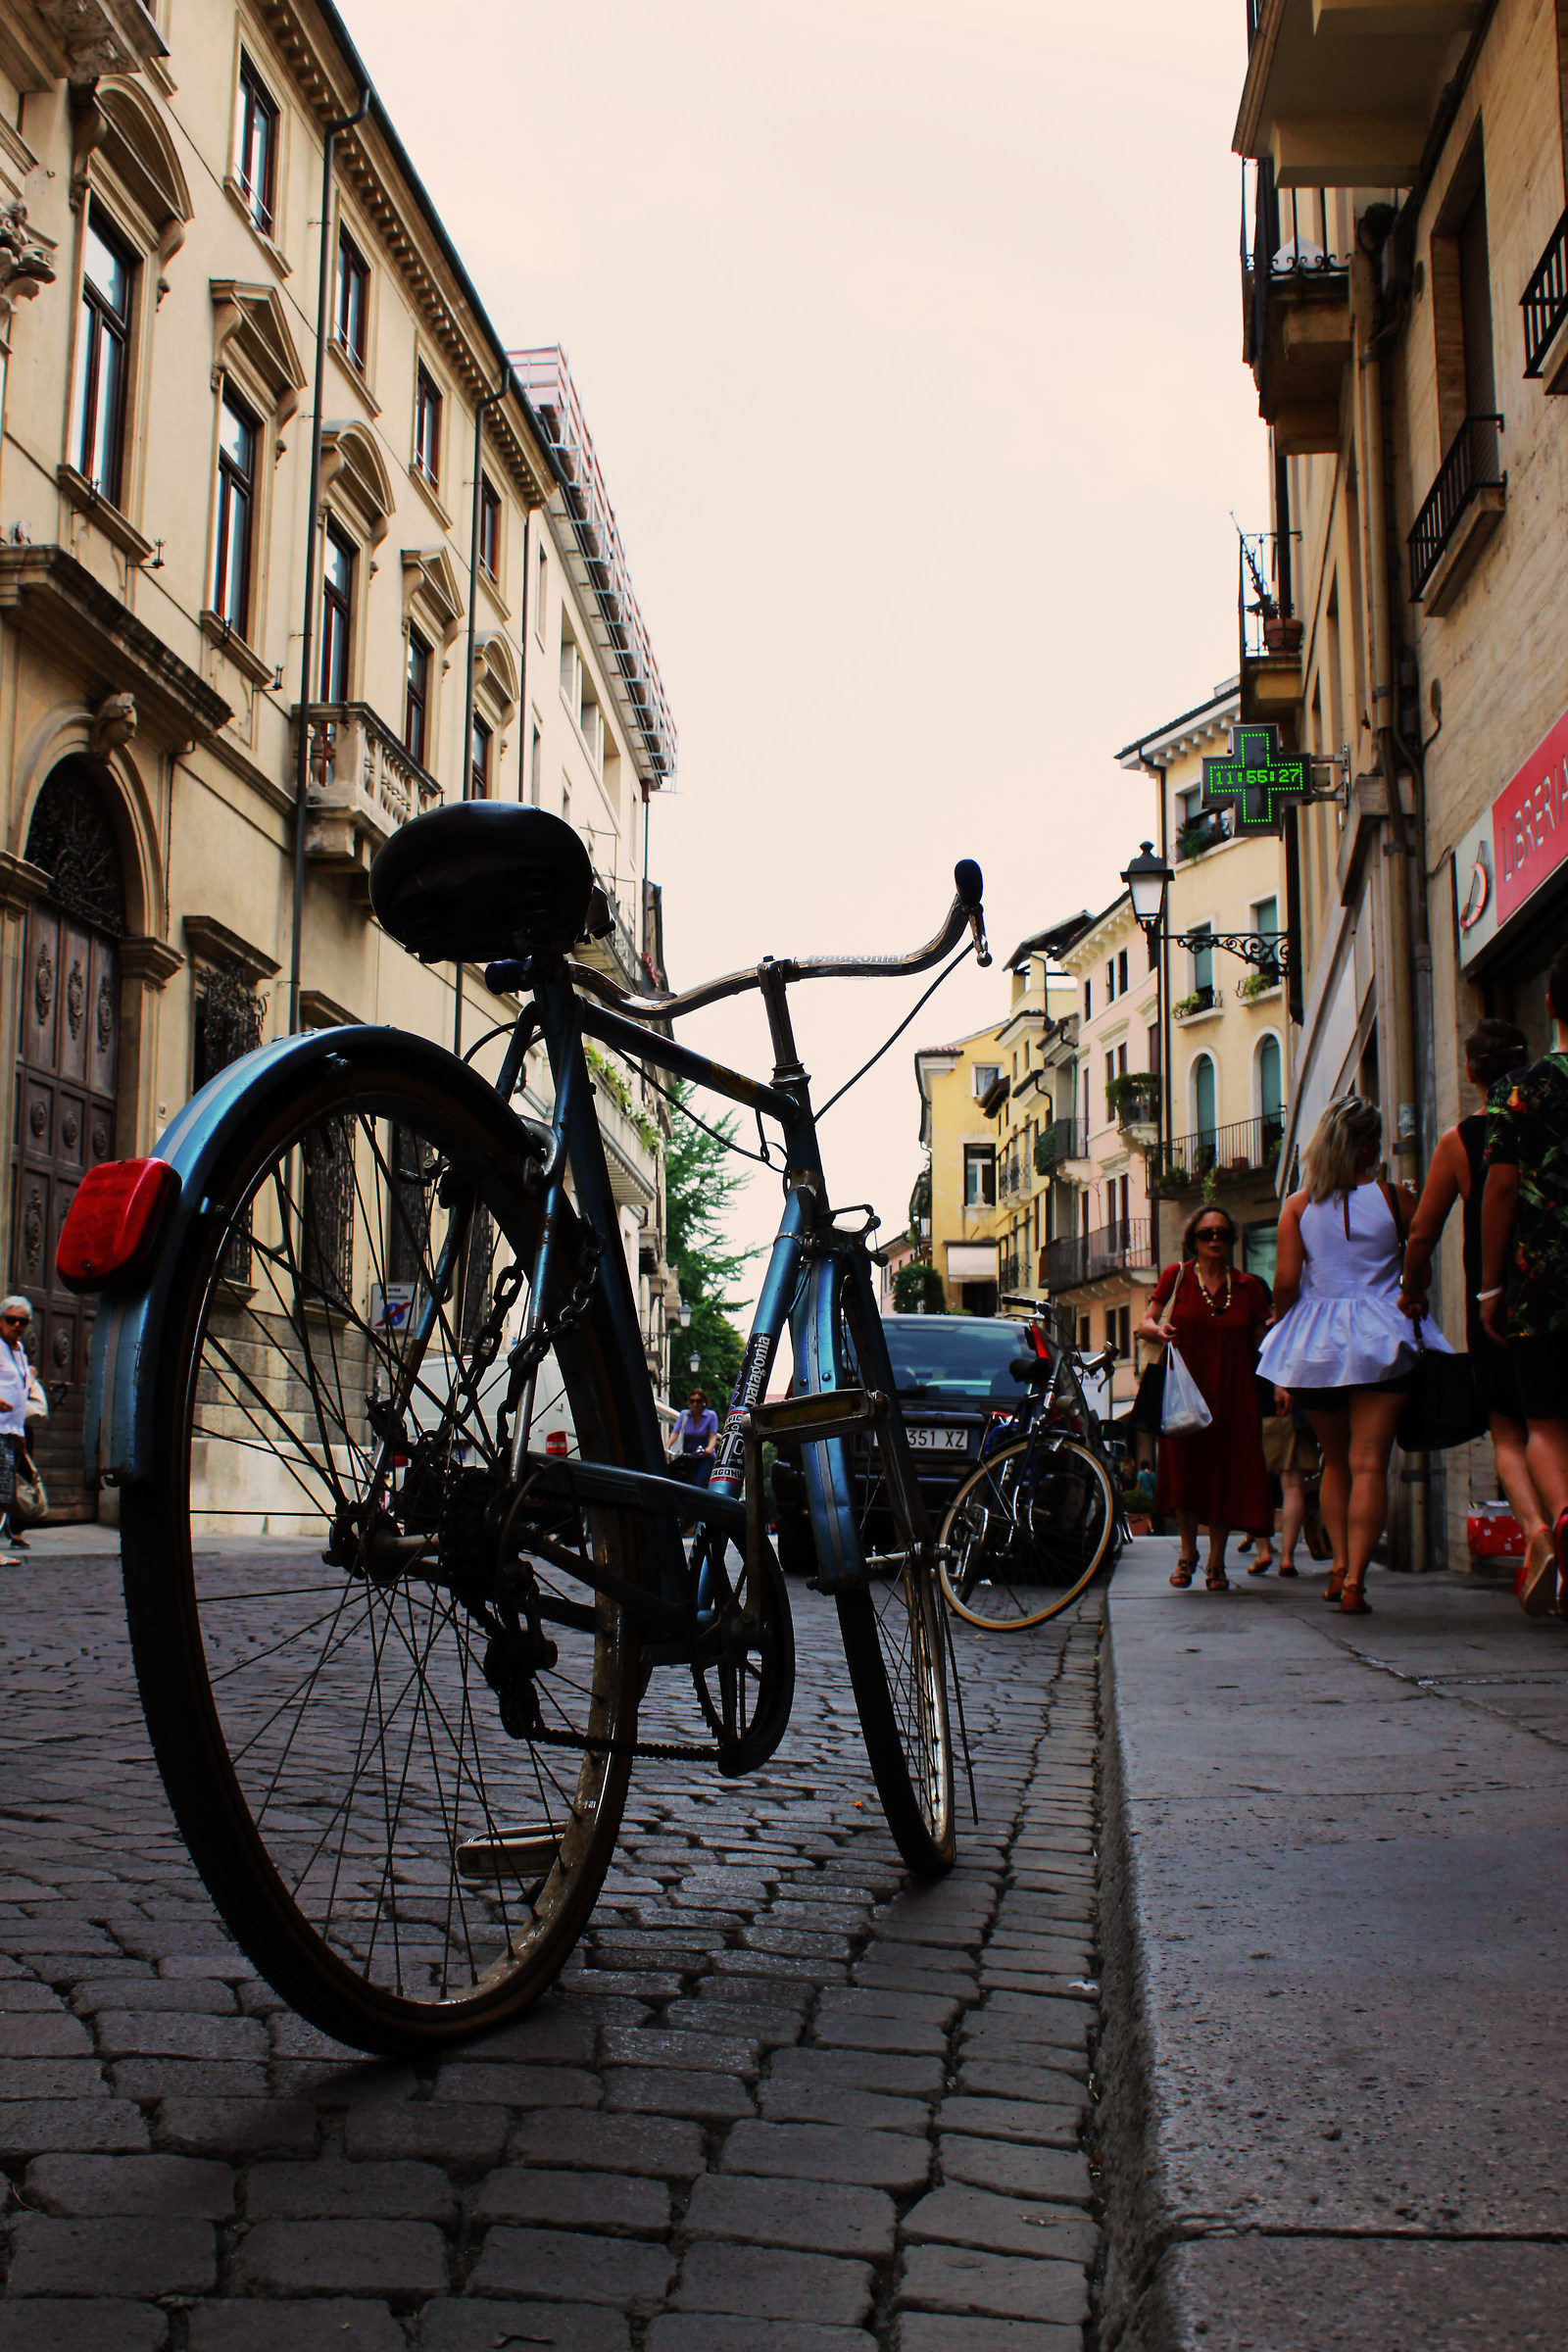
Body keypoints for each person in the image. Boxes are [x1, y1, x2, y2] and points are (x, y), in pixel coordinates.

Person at [1259, 1096, 1448, 1615]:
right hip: (1384, 1339)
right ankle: (1356, 1583)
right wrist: (1409, 1287)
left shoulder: (1298, 1206)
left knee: (1334, 1460)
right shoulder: (1395, 1199)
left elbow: (1286, 1282)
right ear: (1366, 1144)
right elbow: (1420, 1267)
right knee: (1370, 1463)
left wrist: (1281, 1319)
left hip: (1320, 1344)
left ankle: (1340, 1563)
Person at [1399, 1018, 1549, 1601]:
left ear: (1470, 1072)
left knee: (1508, 1431)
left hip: (1498, 1302)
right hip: (1555, 1293)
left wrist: (1413, 1286)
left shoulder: (1462, 1140)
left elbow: (1423, 1231)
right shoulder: (1548, 1120)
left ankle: (1538, 1530)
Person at [1479, 944, 1568, 1612]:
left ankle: (1564, 1521)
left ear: (1548, 1004)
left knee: (1544, 1423)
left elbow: (1501, 1189)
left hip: (1542, 1279)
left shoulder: (1518, 1091)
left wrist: (1489, 1285)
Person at [1135, 1205, 1273, 1592]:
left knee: (1226, 1476)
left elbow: (1264, 1344)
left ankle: (1216, 1561)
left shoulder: (1247, 1288)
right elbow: (1145, 1322)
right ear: (1193, 1239)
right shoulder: (1176, 1277)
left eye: (1223, 1234)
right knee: (1184, 1471)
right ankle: (1186, 1551)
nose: (1215, 1239)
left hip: (1234, 1396)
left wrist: (1283, 1379)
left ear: (1232, 1240)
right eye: (1207, 1233)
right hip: (1184, 1392)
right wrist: (1157, 1332)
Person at [1248, 1387, 1319, 1578]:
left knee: (1256, 1484)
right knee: (1293, 1486)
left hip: (1259, 1412)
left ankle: (1263, 1552)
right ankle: (1287, 1557)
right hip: (1295, 1413)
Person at [0, 1297, 38, 1566]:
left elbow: (21, 1391)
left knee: (3, 1492)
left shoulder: (19, 1350)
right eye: (10, 1319)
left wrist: (21, 1433)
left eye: (22, 1321)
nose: (16, 1325)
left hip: (12, 1431)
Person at [667, 1384, 718, 1534]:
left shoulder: (711, 1416)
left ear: (704, 1402)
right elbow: (675, 1433)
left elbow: (713, 1435)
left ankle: (697, 1520)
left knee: (698, 1484)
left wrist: (709, 1448)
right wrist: (667, 1446)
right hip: (688, 1457)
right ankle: (683, 1517)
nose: (694, 1404)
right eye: (692, 1401)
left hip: (704, 1457)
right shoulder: (684, 1415)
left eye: (698, 1401)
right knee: (679, 1484)